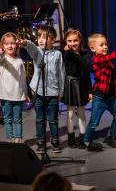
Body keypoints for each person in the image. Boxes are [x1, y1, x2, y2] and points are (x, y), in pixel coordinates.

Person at [83, 34, 116, 151]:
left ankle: (113, 137)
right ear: (93, 49)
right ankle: (86, 141)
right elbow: (109, 57)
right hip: (99, 97)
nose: (105, 47)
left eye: (106, 44)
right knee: (94, 122)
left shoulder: (107, 61)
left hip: (111, 97)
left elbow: (112, 77)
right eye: (101, 45)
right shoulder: (97, 59)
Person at [18, 26, 65, 154]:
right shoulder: (37, 52)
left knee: (53, 119)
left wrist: (61, 92)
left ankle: (55, 141)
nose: (41, 40)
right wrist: (24, 43)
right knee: (40, 119)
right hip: (38, 91)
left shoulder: (58, 54)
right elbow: (31, 47)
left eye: (45, 37)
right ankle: (41, 142)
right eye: (39, 37)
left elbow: (61, 73)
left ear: (53, 40)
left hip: (53, 92)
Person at [62, 28, 92, 149]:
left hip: (81, 85)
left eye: (75, 40)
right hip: (69, 84)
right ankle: (70, 137)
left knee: (81, 113)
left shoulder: (85, 54)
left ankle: (82, 137)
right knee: (70, 113)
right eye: (69, 41)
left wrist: (90, 91)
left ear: (80, 41)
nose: (73, 43)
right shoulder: (66, 54)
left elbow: (85, 70)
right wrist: (68, 53)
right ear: (66, 41)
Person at [0, 33, 30, 143]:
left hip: (18, 94)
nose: (10, 46)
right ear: (3, 47)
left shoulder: (19, 61)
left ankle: (19, 139)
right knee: (8, 119)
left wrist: (26, 93)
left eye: (12, 43)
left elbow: (23, 79)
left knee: (17, 119)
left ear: (16, 45)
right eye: (7, 44)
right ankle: (10, 139)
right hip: (5, 95)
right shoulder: (2, 60)